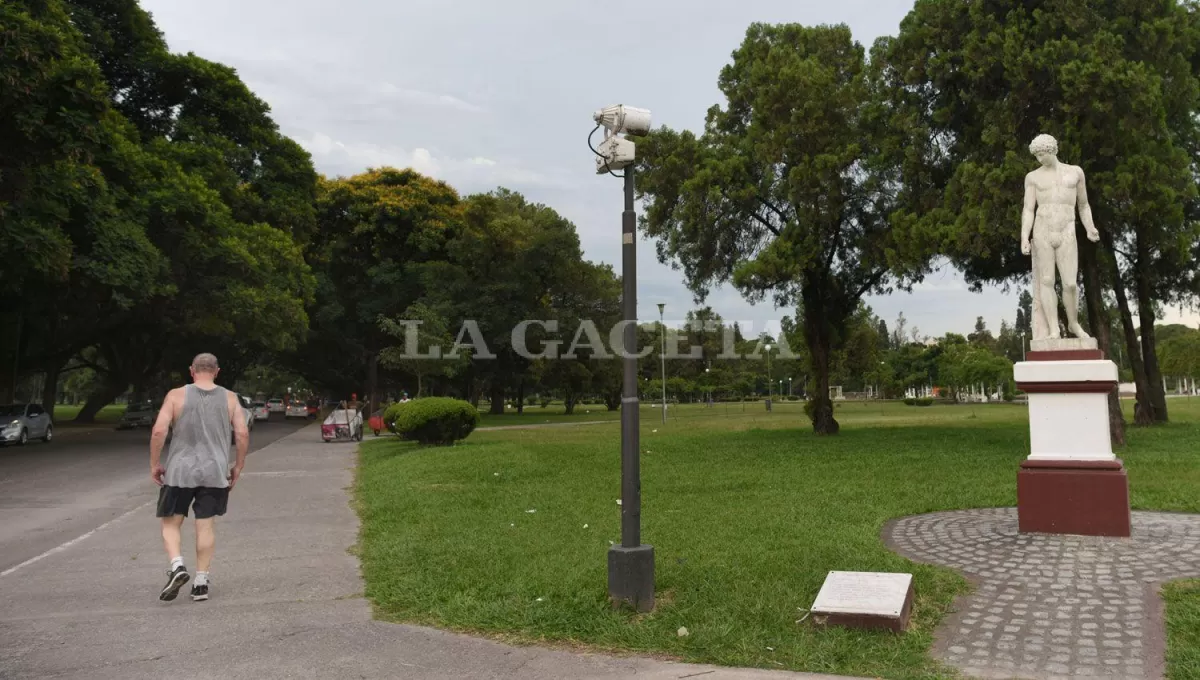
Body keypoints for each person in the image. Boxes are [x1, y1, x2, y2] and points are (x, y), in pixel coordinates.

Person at [149, 353, 249, 602]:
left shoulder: (175, 395)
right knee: (205, 524)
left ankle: (177, 566)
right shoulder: (230, 398)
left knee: (171, 523)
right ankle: (201, 582)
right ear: (217, 371)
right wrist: (238, 466)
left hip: (179, 471)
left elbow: (159, 430)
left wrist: (154, 464)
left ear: (192, 371)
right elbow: (243, 433)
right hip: (214, 472)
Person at [1020, 134, 1101, 340]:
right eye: (1037, 155)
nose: (1040, 159)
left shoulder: (1075, 173)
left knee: (1070, 283)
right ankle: (1054, 328)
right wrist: (1024, 236)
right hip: (1042, 230)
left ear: (1053, 150)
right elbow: (1028, 209)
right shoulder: (1033, 177)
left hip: (1067, 230)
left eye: (1043, 154)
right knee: (1046, 281)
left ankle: (1073, 324)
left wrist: (1090, 227)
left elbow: (1083, 205)